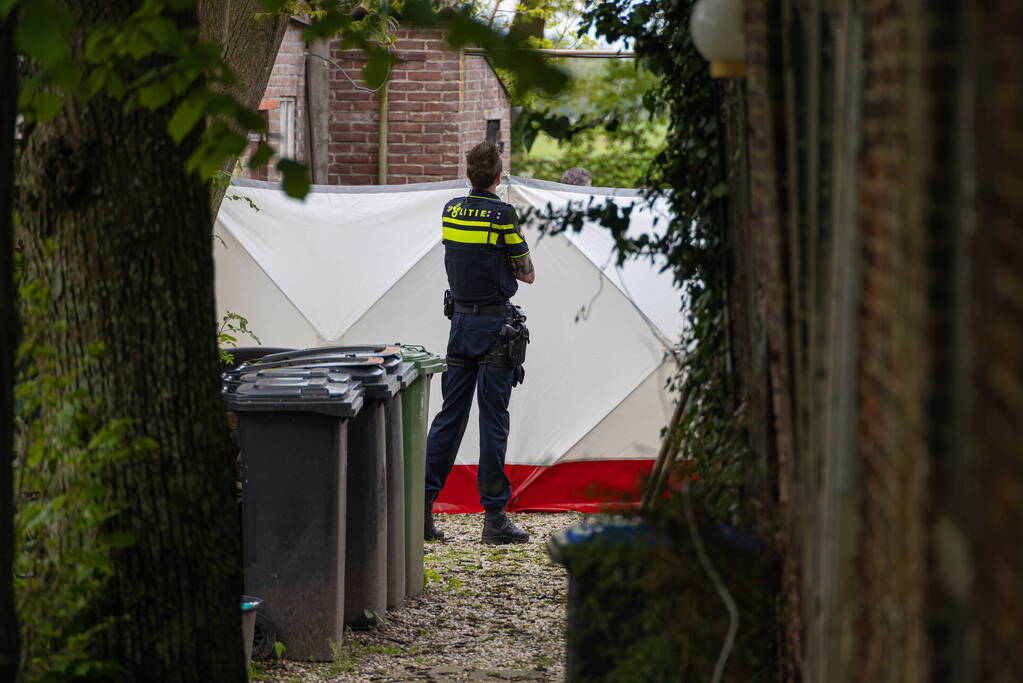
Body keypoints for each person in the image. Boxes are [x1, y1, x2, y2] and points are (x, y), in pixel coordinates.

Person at [424, 140, 536, 545]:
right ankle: (494, 518)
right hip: (494, 329)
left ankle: (422, 508)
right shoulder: (504, 215)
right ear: (497, 175)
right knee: (493, 423)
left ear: (470, 173)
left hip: (459, 327)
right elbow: (527, 273)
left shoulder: (451, 210)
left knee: (449, 418)